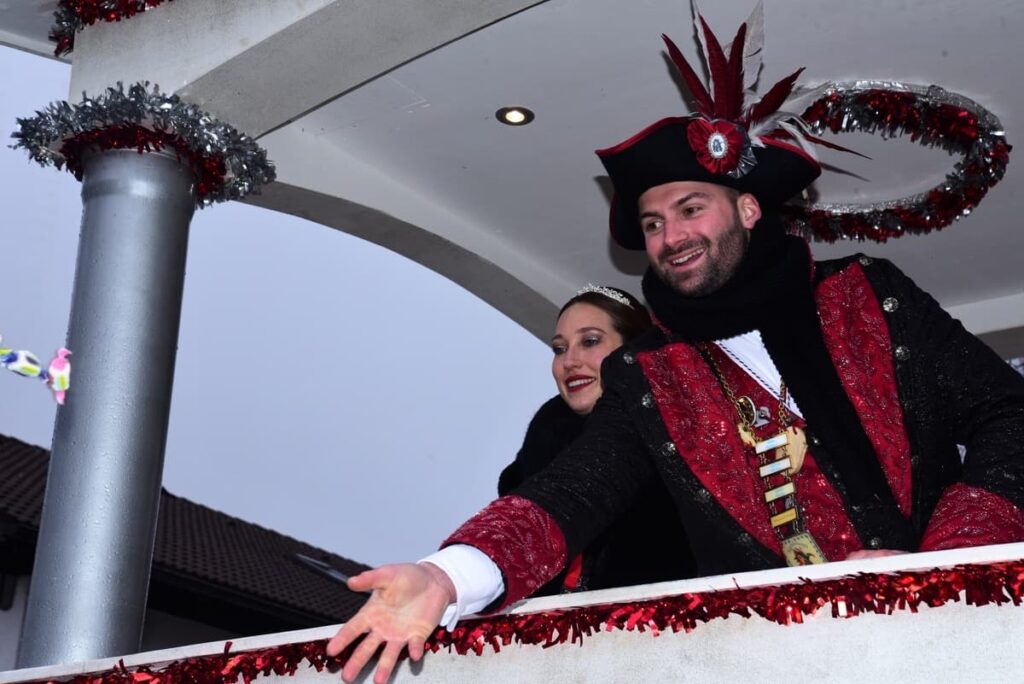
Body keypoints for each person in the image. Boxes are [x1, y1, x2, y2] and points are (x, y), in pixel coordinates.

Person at [327, 9, 1024, 683]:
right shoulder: (646, 373)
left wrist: (944, 562)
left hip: (952, 632)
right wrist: (447, 576)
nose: (671, 236)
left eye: (691, 209)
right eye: (653, 223)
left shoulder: (868, 294)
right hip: (772, 658)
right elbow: (574, 491)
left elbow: (1009, 415)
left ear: (747, 208)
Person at [498, 285, 693, 595]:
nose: (569, 361)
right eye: (559, 349)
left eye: (589, 341)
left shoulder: (685, 435)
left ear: (633, 349)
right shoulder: (541, 442)